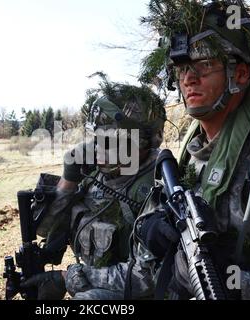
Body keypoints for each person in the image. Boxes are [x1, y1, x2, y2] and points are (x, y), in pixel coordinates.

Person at [135, 0, 250, 299]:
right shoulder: (188, 156)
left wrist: (244, 285)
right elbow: (143, 271)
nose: (189, 78)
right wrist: (149, 230)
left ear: (240, 75)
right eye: (182, 69)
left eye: (205, 65)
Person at [20, 77, 167, 299]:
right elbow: (44, 231)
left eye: (109, 140)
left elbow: (148, 278)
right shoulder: (92, 175)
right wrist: (68, 181)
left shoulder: (158, 184)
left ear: (142, 141)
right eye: (95, 137)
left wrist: (68, 279)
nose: (98, 147)